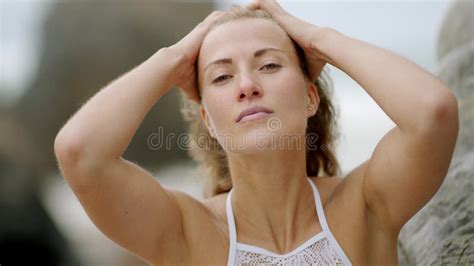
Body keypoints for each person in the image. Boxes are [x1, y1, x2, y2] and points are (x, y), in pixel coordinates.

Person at [53, 1, 459, 265]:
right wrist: (174, 58)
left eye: (268, 66)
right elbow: (79, 152)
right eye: (223, 76)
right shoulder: (187, 233)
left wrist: (318, 39)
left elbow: (432, 112)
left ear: (310, 98)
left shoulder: (365, 205)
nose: (247, 85)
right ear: (209, 121)